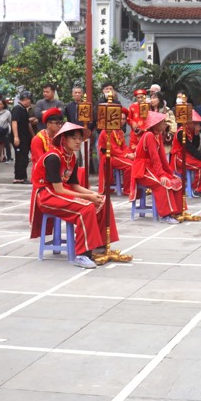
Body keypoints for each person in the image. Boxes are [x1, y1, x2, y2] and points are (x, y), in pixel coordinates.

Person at [29, 122, 118, 269]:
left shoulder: (72, 157)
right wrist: (88, 198)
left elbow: (74, 185)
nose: (78, 141)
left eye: (80, 138)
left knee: (103, 201)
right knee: (86, 207)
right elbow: (58, 189)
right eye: (74, 138)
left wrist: (94, 193)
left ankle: (100, 245)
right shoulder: (53, 157)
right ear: (64, 139)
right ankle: (82, 254)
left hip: (60, 193)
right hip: (46, 196)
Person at [131, 112, 184, 223]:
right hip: (143, 170)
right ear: (155, 124)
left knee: (176, 180)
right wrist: (161, 175)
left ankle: (177, 212)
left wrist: (169, 172)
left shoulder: (158, 135)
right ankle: (165, 215)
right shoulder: (149, 136)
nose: (164, 124)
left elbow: (162, 157)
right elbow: (155, 158)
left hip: (151, 168)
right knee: (163, 184)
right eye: (162, 122)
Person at [171, 111, 201, 196]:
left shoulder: (190, 130)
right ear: (188, 122)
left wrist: (196, 134)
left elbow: (195, 146)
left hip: (188, 156)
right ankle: (195, 189)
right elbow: (191, 148)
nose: (196, 124)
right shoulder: (181, 132)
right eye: (194, 122)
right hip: (180, 157)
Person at [97, 107, 133, 195]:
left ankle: (132, 187)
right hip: (108, 157)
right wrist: (127, 156)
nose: (122, 121)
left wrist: (130, 153)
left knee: (135, 162)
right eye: (120, 118)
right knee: (130, 165)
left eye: (124, 119)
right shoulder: (107, 131)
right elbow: (113, 149)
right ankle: (127, 190)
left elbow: (124, 146)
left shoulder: (120, 131)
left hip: (117, 156)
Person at [11, 91, 34, 184]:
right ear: (26, 99)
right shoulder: (17, 109)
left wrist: (33, 136)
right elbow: (14, 122)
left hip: (25, 137)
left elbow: (28, 124)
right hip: (20, 137)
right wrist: (16, 136)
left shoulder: (24, 109)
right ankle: (18, 177)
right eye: (29, 100)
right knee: (20, 157)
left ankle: (23, 176)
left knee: (24, 157)